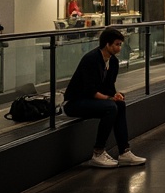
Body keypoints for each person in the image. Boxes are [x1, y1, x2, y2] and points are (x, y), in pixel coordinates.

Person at [62, 26, 147, 167]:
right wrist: (109, 99)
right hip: (75, 102)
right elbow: (89, 90)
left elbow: (109, 86)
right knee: (111, 107)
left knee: (119, 104)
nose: (119, 48)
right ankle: (98, 152)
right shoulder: (91, 59)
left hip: (92, 99)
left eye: (120, 44)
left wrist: (115, 95)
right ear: (107, 44)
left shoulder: (112, 61)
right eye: (116, 44)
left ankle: (124, 151)